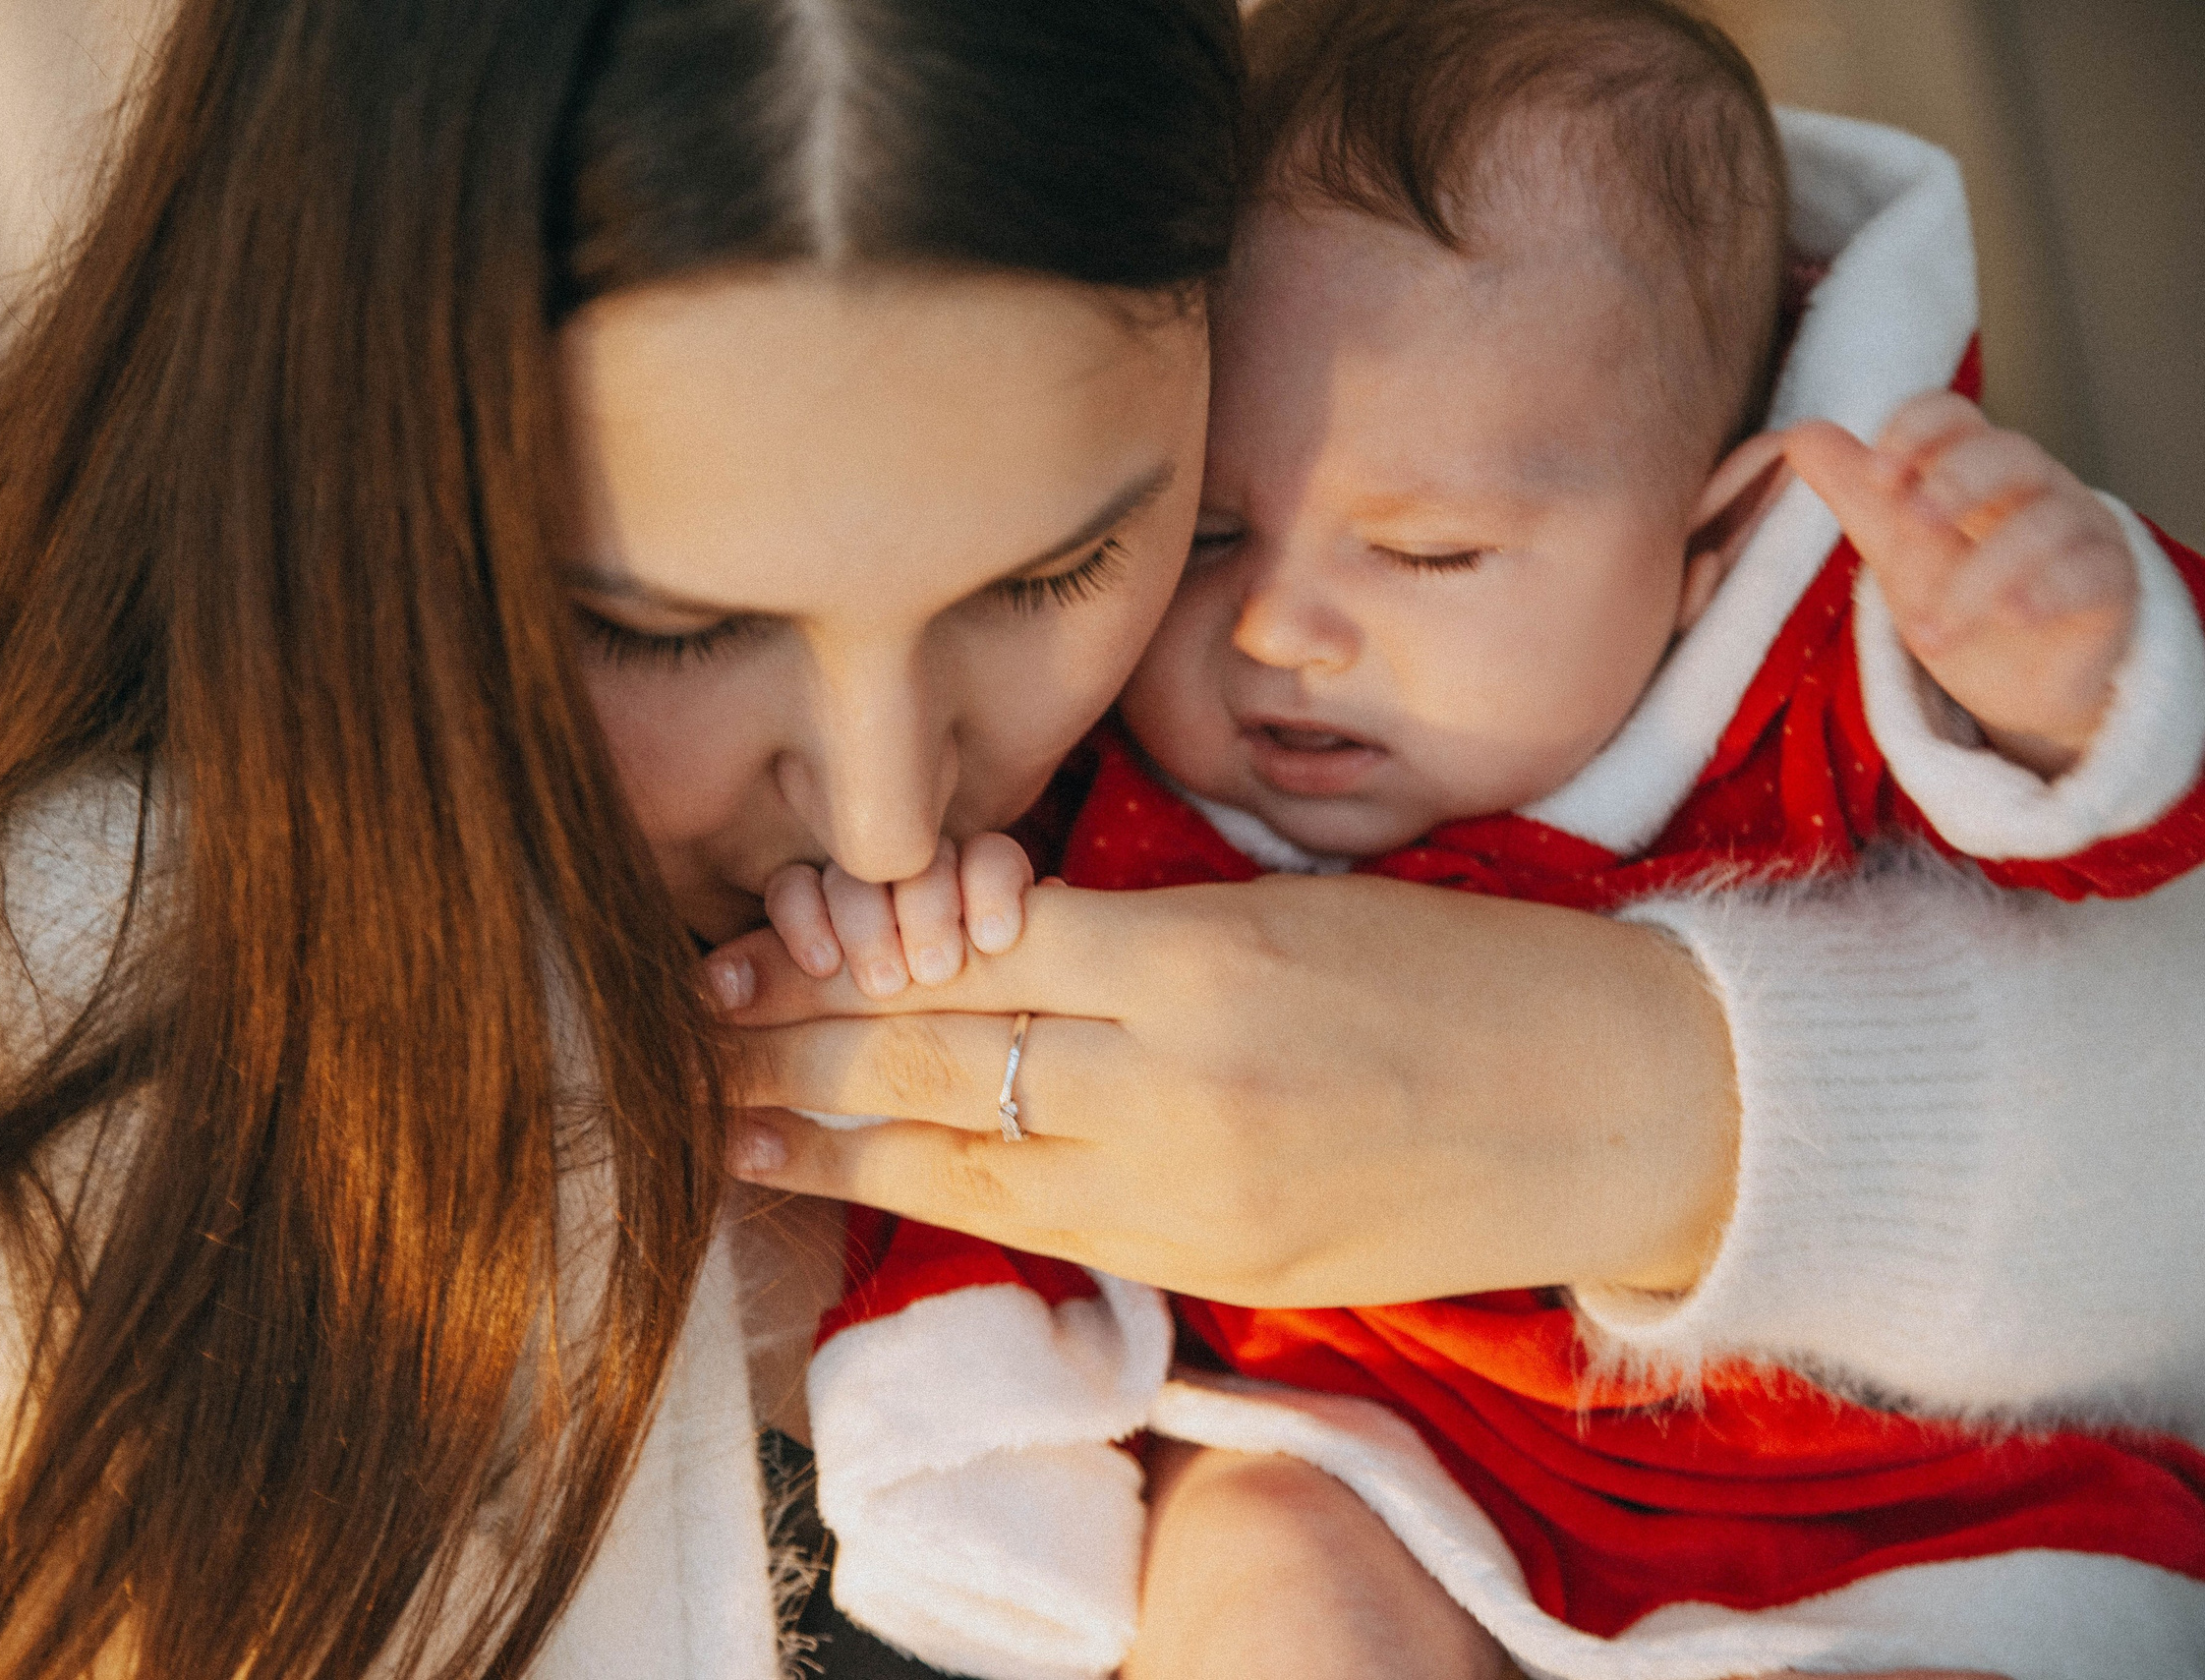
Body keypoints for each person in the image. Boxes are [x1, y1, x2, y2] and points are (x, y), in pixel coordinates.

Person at [0, 4, 2189, 1680]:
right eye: (660, 624)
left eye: (1051, 567)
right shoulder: (41, 1089)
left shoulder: (1461, 726)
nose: (897, 808)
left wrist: (1652, 1100)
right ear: (360, 486)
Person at [761, 3, 2205, 1677]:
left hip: (1887, 1509)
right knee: (1256, 1569)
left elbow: (2101, 843)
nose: (1284, 626)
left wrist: (2054, 682)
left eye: (1432, 552)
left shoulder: (1808, 682)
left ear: (1711, 541)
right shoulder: (1120, 802)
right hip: (1371, 1452)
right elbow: (982, 1129)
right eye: (1213, 530)